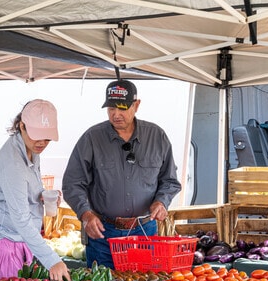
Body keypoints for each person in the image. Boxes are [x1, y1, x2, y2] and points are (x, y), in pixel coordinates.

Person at [62, 79, 182, 269]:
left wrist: (162, 201)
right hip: (103, 233)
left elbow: (170, 181)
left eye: (122, 108)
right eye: (111, 109)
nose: (116, 114)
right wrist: (85, 214)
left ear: (136, 105)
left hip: (144, 231)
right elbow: (72, 184)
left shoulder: (157, 136)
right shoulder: (92, 138)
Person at [0, 99, 71, 281]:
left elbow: (23, 189)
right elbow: (20, 219)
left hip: (19, 242)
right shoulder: (12, 164)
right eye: (37, 135)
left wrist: (42, 195)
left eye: (47, 137)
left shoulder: (31, 150)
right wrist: (52, 260)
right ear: (22, 126)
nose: (42, 142)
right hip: (2, 247)